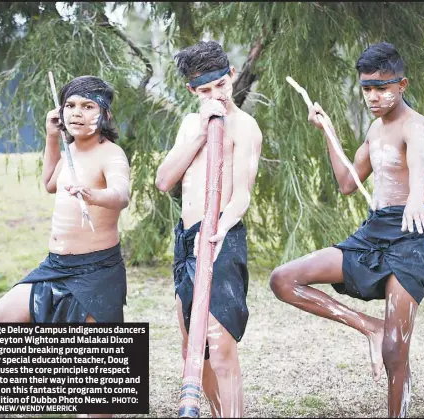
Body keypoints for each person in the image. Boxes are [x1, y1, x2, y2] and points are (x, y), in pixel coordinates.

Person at [269, 42, 424, 418]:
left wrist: (414, 198)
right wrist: (327, 131)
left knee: (396, 351)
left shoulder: (416, 126)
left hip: (410, 235)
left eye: (382, 87)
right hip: (372, 235)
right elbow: (347, 182)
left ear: (402, 84)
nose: (373, 97)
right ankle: (370, 327)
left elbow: (420, 164)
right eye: (366, 88)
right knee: (284, 279)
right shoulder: (375, 132)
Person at [0, 75, 130, 419]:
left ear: (104, 114)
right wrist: (51, 138)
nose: (77, 113)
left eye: (88, 106)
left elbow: (121, 196)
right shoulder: (70, 152)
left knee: (97, 401)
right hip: (55, 268)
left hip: (96, 273)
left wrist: (92, 194)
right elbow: (50, 183)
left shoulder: (111, 154)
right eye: (71, 105)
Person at [155, 40, 263, 418]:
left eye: (221, 85)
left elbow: (242, 195)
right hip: (187, 238)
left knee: (220, 346)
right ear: (192, 91)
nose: (215, 95)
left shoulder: (245, 126)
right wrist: (201, 133)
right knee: (192, 347)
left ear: (231, 76)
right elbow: (164, 180)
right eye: (205, 91)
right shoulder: (190, 124)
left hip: (221, 236)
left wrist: (216, 229)